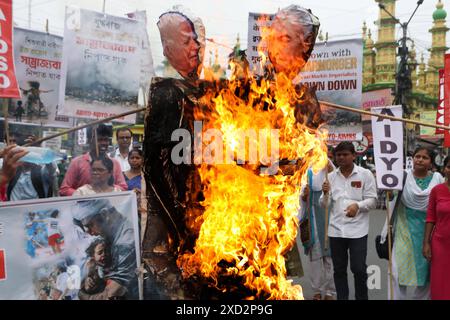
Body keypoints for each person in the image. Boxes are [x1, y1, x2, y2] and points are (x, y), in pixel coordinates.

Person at [320, 141, 377, 300]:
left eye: (345, 154)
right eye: (339, 155)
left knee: (358, 268)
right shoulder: (330, 177)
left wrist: (357, 206)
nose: (341, 157)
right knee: (338, 270)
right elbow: (324, 205)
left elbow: (372, 200)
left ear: (353, 155)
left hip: (358, 231)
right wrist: (325, 193)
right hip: (336, 230)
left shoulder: (365, 174)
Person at [389, 147, 444, 300]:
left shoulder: (438, 178)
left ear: (431, 162)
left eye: (424, 157)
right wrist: (388, 191)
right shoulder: (402, 177)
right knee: (397, 272)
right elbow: (391, 197)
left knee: (427, 274)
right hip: (404, 230)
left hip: (431, 232)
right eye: (417, 156)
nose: (419, 159)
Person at [72, 199, 138, 300]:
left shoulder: (125, 241)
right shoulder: (113, 234)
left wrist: (82, 294)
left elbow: (112, 293)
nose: (90, 232)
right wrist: (90, 277)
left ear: (104, 215)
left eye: (90, 225)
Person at [299, 149, 336, 300]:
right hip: (311, 217)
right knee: (315, 258)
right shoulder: (304, 172)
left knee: (329, 257)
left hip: (328, 216)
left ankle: (330, 291)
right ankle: (316, 290)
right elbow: (299, 196)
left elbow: (336, 181)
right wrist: (304, 195)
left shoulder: (328, 168)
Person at [59, 124, 127, 196]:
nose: (103, 143)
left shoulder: (114, 163)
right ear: (89, 141)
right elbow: (64, 189)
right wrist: (85, 195)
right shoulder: (77, 162)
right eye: (99, 140)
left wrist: (106, 190)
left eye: (106, 140)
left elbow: (123, 187)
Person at [424, 155, 450, 300]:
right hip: (440, 244)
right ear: (444, 169)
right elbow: (430, 218)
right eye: (449, 167)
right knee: (439, 283)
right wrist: (426, 243)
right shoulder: (437, 190)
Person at [157, 6, 205, 81]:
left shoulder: (208, 89)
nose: (196, 47)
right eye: (186, 42)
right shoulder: (164, 89)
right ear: (168, 50)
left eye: (197, 41)